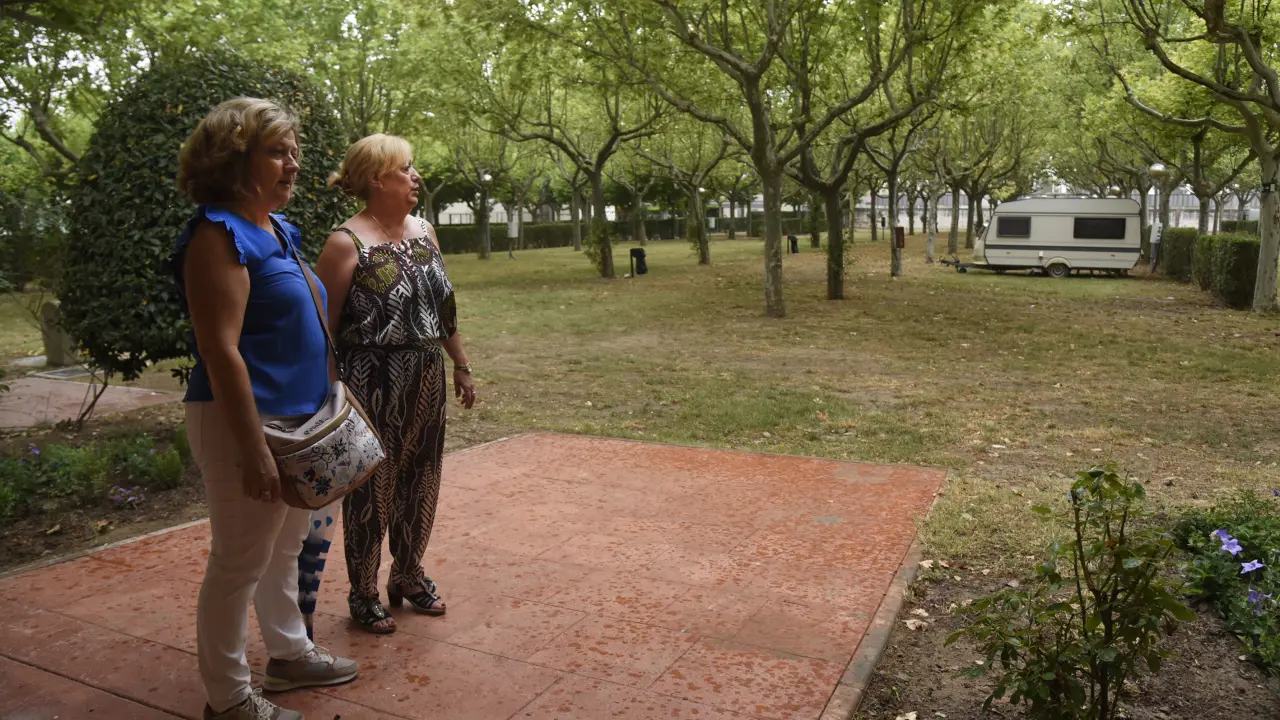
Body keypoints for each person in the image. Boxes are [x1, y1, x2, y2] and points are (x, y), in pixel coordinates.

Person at [172, 97, 359, 720]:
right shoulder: (216, 235)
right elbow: (220, 349)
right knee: (238, 561)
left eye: (294, 152)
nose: (294, 164)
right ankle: (228, 699)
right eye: (277, 152)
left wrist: (332, 396)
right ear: (234, 159)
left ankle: (289, 653)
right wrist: (254, 450)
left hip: (298, 422)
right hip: (242, 424)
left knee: (286, 545)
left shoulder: (276, 228)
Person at [314, 133, 477, 635]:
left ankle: (407, 573)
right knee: (371, 490)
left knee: (422, 479)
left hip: (426, 374)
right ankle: (363, 592)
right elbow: (323, 330)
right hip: (371, 382)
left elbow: (442, 309)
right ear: (375, 179)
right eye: (405, 168)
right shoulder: (346, 243)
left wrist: (460, 364)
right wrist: (336, 395)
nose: (415, 176)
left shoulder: (425, 230)